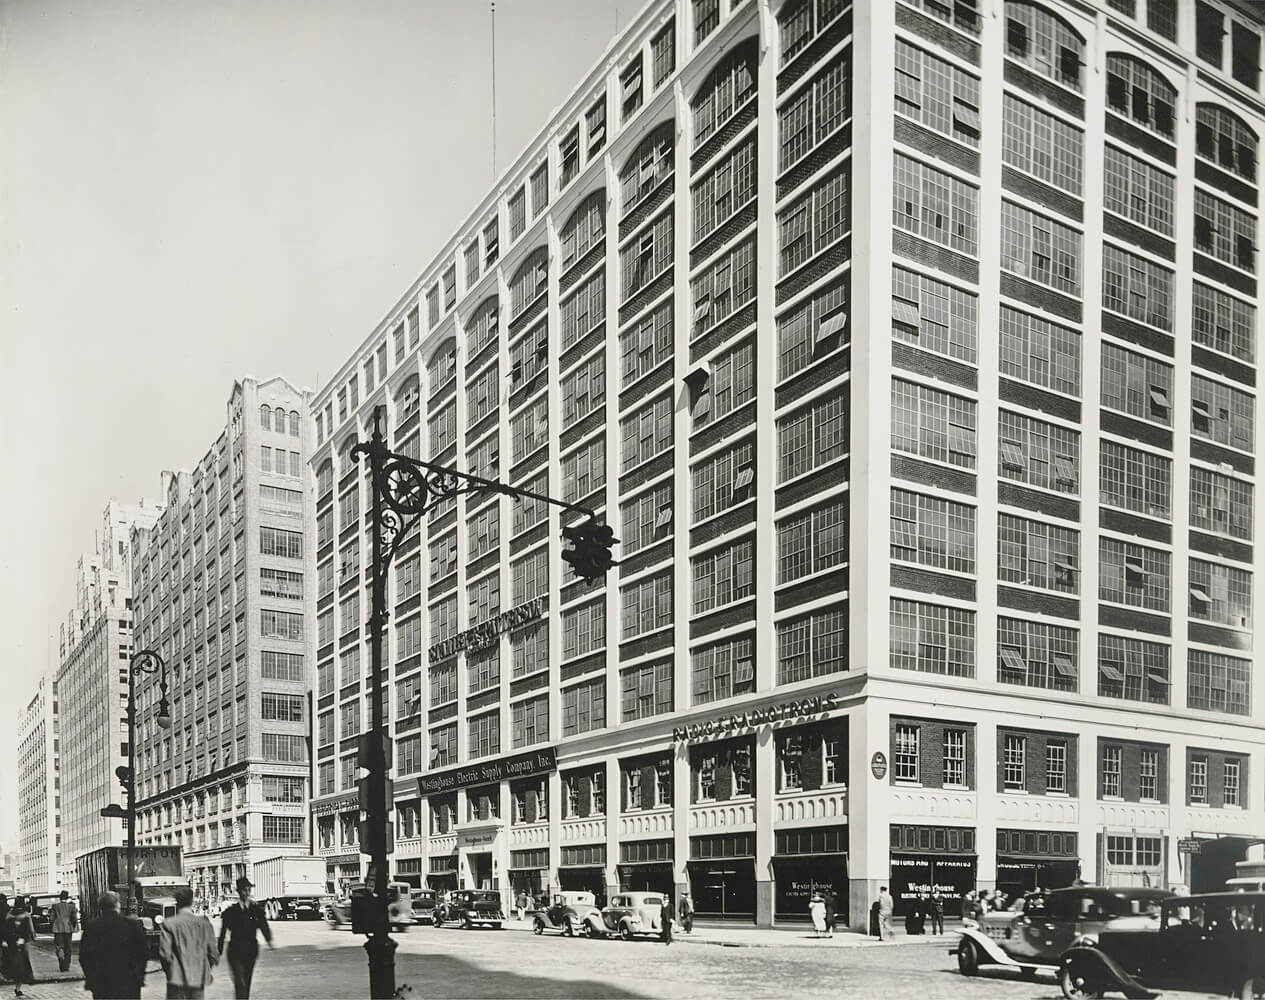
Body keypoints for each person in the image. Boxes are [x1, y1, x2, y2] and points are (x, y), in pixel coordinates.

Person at [79, 890, 149, 1000]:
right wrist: (139, 976)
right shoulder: (132, 925)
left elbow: (84, 957)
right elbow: (143, 953)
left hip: (102, 983)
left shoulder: (92, 927)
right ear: (118, 905)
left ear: (101, 907)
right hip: (129, 982)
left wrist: (92, 979)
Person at [217, 876, 273, 1000]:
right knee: (239, 979)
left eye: (248, 890)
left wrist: (269, 940)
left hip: (251, 950)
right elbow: (223, 931)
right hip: (235, 951)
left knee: (246, 979)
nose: (247, 893)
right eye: (244, 890)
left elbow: (264, 925)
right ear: (238, 891)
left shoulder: (256, 909)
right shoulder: (231, 911)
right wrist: (219, 949)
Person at [159, 885, 218, 1000]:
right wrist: (205, 968)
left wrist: (170, 971)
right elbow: (213, 953)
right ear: (192, 901)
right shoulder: (204, 924)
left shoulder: (169, 924)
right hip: (198, 977)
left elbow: (165, 954)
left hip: (176, 978)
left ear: (177, 902)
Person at [2, 897, 35, 998]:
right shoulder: (26, 916)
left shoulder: (9, 915)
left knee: (15, 966)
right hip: (19, 945)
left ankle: (17, 987)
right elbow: (30, 930)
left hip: (12, 944)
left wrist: (3, 941)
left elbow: (4, 930)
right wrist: (25, 939)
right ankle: (18, 987)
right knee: (21, 967)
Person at [50, 889, 78, 972]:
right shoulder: (71, 906)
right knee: (68, 948)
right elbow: (74, 919)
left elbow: (52, 918)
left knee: (59, 946)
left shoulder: (55, 906)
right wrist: (73, 925)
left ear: (60, 898)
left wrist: (54, 925)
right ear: (67, 897)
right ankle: (67, 966)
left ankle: (61, 962)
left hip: (58, 929)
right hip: (68, 929)